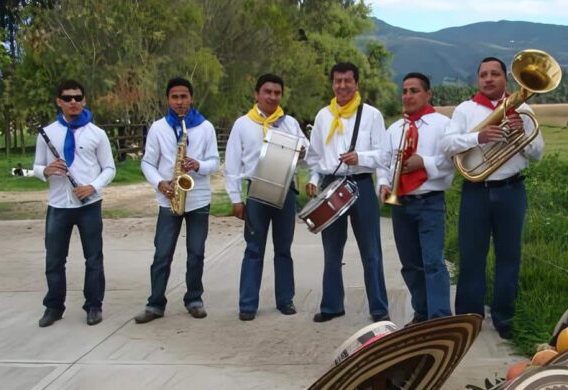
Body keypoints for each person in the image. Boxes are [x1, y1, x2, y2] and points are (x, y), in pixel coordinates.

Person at [441, 56, 544, 339]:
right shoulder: (465, 110)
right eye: (483, 74)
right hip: (476, 191)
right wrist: (479, 138)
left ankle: (504, 317)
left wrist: (523, 133)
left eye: (494, 74)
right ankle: (468, 318)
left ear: (505, 79)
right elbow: (447, 144)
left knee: (509, 257)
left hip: (512, 190)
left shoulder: (523, 108)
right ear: (478, 79)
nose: (488, 79)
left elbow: (537, 153)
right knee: (472, 256)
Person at [305, 62, 388, 323]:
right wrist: (314, 178)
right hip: (331, 184)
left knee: (371, 250)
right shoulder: (322, 116)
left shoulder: (372, 115)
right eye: (338, 81)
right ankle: (331, 306)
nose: (342, 86)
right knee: (332, 251)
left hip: (361, 183)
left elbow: (383, 155)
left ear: (356, 83)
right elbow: (315, 155)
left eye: (347, 81)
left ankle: (378, 308)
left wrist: (360, 157)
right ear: (332, 84)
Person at [134, 77, 219, 323]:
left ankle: (194, 299)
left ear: (191, 98)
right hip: (168, 197)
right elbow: (147, 162)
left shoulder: (206, 127)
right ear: (168, 100)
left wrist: (198, 165)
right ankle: (155, 304)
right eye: (174, 97)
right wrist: (160, 183)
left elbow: (214, 161)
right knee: (162, 253)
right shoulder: (159, 128)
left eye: (183, 97)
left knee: (196, 253)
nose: (179, 102)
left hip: (199, 198)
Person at [224, 73, 308, 321]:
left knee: (284, 249)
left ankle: (285, 300)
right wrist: (235, 199)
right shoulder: (243, 124)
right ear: (257, 94)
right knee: (253, 248)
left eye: (277, 93)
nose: (272, 96)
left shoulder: (290, 123)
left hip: (286, 192)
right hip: (257, 193)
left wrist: (303, 151)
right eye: (267, 92)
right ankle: (247, 304)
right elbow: (232, 164)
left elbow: (308, 150)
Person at [34, 79, 115, 328]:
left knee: (93, 259)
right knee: (55, 260)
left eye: (78, 98)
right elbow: (37, 166)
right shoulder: (47, 133)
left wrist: (92, 186)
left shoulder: (97, 134)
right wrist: (46, 171)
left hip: (88, 204)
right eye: (67, 98)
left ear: (84, 101)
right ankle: (54, 307)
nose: (73, 102)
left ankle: (93, 305)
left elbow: (110, 168)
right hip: (59, 204)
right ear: (59, 102)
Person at [378, 72, 454, 324]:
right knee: (410, 265)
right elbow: (384, 162)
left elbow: (450, 163)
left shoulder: (442, 125)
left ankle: (440, 318)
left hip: (430, 201)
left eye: (414, 90)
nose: (408, 96)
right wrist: (383, 183)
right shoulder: (395, 128)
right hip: (401, 205)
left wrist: (424, 161)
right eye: (405, 91)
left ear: (427, 94)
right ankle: (421, 313)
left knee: (432, 262)